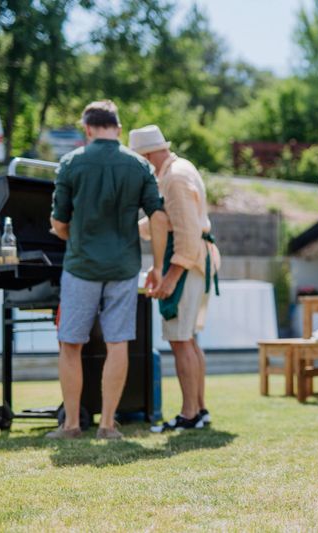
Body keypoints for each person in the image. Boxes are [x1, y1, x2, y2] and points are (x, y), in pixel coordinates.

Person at [48, 100, 166, 440]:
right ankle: (107, 425)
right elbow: (157, 216)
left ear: (87, 128)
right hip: (124, 267)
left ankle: (71, 425)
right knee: (118, 343)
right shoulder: (138, 165)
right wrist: (157, 266)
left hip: (81, 266)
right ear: (117, 126)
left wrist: (72, 237)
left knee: (71, 343)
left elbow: (59, 221)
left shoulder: (71, 163)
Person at [129, 125, 221, 432]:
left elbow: (185, 231)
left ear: (146, 155)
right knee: (189, 340)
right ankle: (199, 409)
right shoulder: (181, 169)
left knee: (181, 341)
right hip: (199, 260)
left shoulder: (174, 178)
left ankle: (188, 414)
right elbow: (164, 220)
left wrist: (171, 276)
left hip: (187, 262)